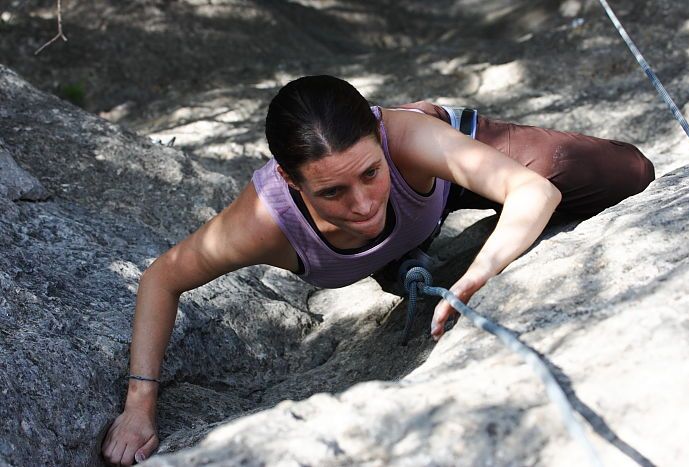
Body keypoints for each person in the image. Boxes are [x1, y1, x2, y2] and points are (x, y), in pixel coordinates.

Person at [101, 75, 654, 465]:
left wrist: (479, 272)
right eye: (332, 191)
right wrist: (139, 407)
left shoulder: (404, 142)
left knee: (628, 171)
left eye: (368, 172)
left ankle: (425, 149)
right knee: (388, 234)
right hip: (404, 226)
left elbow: (532, 191)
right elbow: (161, 278)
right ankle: (400, 255)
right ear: (293, 185)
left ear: (378, 141)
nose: (362, 202)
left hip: (439, 169)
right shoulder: (261, 223)